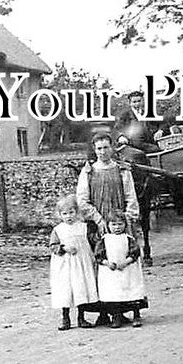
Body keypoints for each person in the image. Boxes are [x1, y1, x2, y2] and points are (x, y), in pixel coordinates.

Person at [76, 131, 140, 325]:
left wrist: (127, 219)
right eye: (99, 148)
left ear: (112, 148)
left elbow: (131, 196)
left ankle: (124, 309)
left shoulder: (122, 170)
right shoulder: (88, 171)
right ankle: (104, 312)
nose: (102, 152)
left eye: (106, 147)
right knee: (102, 266)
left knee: (125, 264)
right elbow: (82, 200)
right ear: (94, 150)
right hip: (99, 226)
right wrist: (98, 219)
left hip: (120, 223)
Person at [48, 195, 98, 330]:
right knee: (66, 289)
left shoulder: (83, 227)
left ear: (76, 212)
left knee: (81, 288)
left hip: (81, 263)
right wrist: (63, 248)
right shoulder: (58, 230)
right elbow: (53, 246)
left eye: (71, 212)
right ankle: (65, 318)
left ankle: (81, 317)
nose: (68, 216)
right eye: (64, 213)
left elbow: (93, 241)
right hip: (65, 264)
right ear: (59, 215)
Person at [95, 215, 148, 328]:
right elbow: (99, 255)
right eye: (113, 224)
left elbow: (135, 252)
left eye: (120, 224)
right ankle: (116, 316)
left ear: (125, 225)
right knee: (114, 294)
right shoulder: (105, 240)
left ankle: (136, 315)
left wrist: (126, 262)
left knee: (132, 291)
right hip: (111, 272)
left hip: (128, 270)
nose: (117, 227)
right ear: (108, 225)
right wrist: (107, 263)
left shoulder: (128, 238)